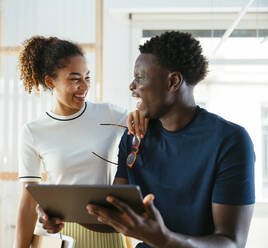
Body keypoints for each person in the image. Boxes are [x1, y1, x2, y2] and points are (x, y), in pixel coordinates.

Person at [86, 31, 255, 248]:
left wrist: (164, 240)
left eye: (139, 78)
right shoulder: (134, 136)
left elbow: (232, 242)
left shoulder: (229, 141)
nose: (132, 86)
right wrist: (60, 211)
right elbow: (115, 214)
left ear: (173, 81)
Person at [14, 36, 145, 248]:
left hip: (105, 232)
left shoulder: (110, 114)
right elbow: (29, 201)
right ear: (50, 82)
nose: (84, 86)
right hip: (59, 236)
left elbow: (146, 126)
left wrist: (142, 114)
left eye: (87, 77)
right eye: (75, 79)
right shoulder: (33, 131)